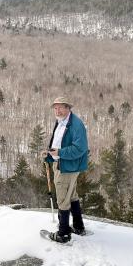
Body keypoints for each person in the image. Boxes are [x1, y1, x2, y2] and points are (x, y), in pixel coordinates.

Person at [41, 97, 88, 243]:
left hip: (67, 167)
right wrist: (50, 154)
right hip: (63, 163)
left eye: (60, 107)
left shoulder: (76, 125)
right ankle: (79, 227)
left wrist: (59, 153)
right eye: (55, 108)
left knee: (62, 198)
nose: (57, 110)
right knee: (71, 195)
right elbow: (59, 143)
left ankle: (63, 234)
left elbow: (80, 149)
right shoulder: (62, 121)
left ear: (68, 108)